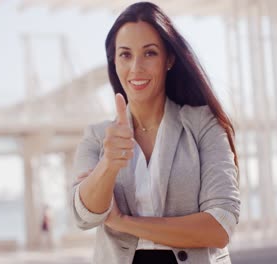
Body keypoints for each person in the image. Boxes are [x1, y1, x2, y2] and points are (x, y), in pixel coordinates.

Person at [71, 2, 240, 263]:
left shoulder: (204, 124)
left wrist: (124, 222)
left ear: (169, 59)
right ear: (114, 62)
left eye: (149, 53)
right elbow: (84, 215)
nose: (136, 67)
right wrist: (108, 164)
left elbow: (219, 227)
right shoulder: (97, 137)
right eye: (125, 55)